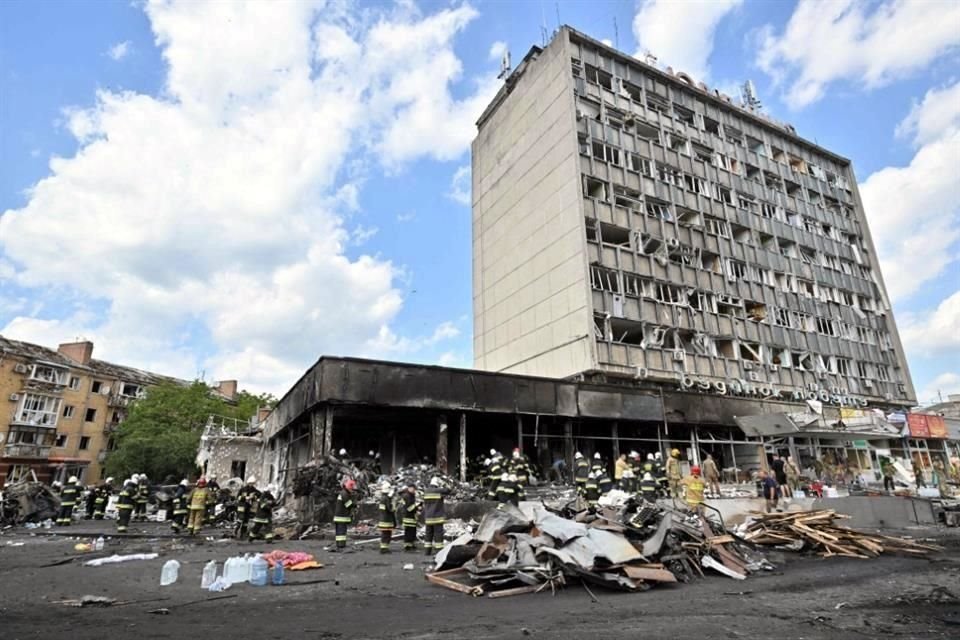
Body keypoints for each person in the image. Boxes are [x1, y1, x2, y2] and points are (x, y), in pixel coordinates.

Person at [422, 476, 448, 556]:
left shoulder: (426, 491)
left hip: (428, 518)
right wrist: (444, 484)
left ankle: (427, 551)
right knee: (438, 535)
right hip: (437, 518)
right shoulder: (438, 491)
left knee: (428, 535)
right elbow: (448, 490)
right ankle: (439, 551)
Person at [332, 478, 357, 551]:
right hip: (341, 517)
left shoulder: (343, 493)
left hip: (340, 517)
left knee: (339, 532)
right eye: (352, 489)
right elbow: (348, 505)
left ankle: (339, 544)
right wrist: (355, 505)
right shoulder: (344, 494)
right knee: (341, 532)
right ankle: (341, 545)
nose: (352, 491)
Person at [376, 482, 396, 554]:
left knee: (385, 534)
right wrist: (393, 504)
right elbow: (390, 509)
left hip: (383, 519)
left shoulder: (382, 498)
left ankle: (384, 547)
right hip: (387, 520)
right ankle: (384, 548)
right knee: (387, 534)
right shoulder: (386, 499)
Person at [401, 482, 420, 552]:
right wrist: (416, 506)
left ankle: (411, 544)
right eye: (414, 489)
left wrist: (417, 508)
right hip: (408, 517)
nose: (414, 490)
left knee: (412, 531)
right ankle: (407, 546)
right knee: (409, 531)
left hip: (411, 517)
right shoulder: (408, 496)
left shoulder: (411, 495)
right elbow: (409, 508)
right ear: (410, 488)